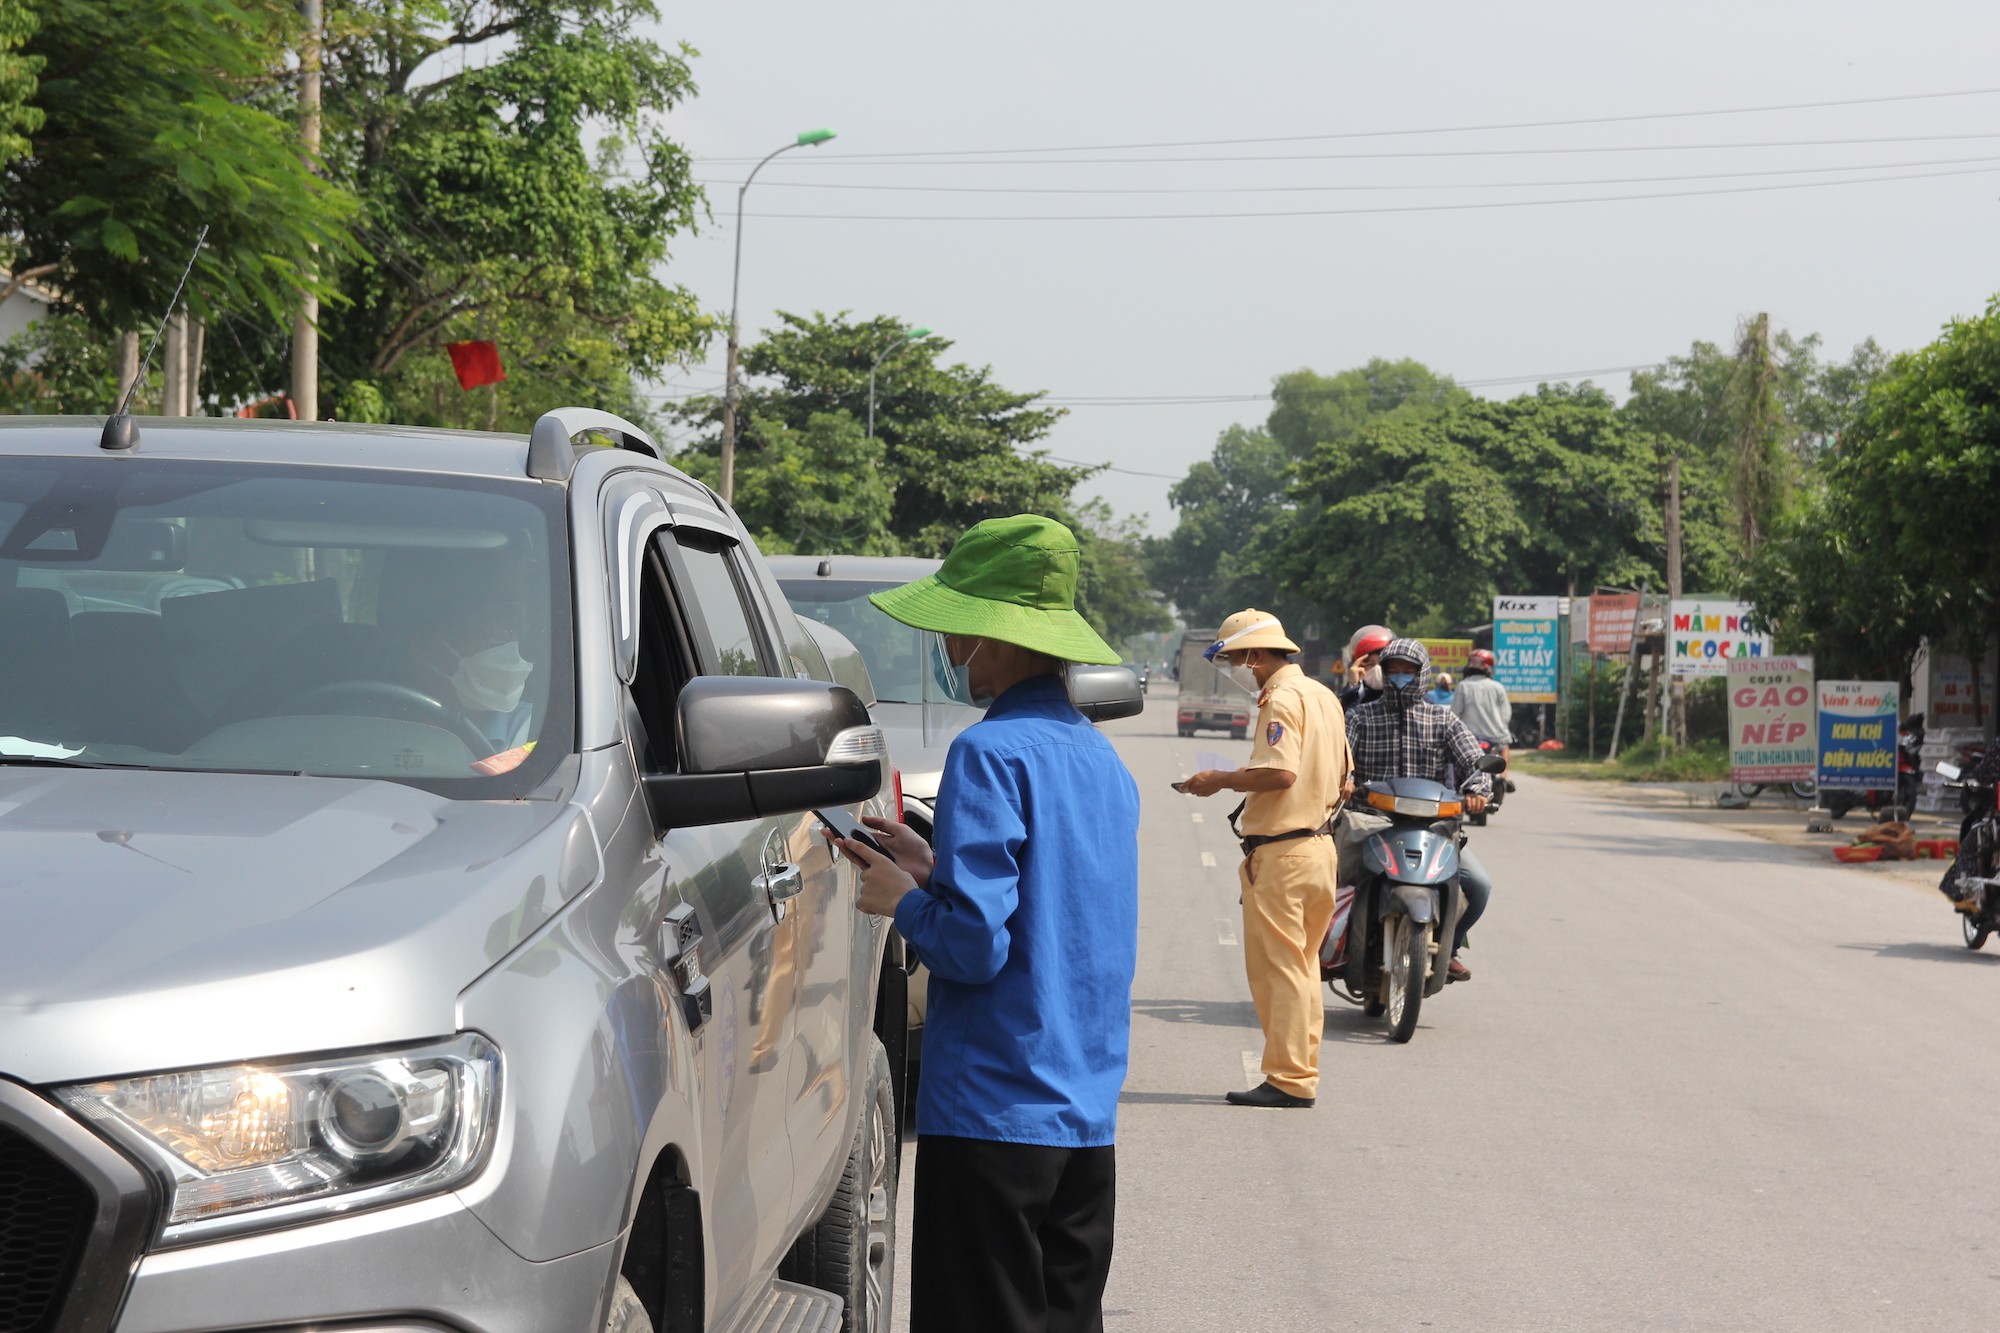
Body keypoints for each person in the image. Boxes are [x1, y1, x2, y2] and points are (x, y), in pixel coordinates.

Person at [827, 514, 1141, 1333]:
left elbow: (972, 945)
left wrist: (903, 898)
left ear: (997, 639)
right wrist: (934, 870)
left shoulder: (988, 752)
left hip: (993, 1108)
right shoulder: (1098, 758)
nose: (953, 647)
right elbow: (1058, 907)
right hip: (1082, 1112)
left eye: (961, 628)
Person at [1179, 609, 1349, 1110]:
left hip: (1283, 853)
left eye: (1238, 658)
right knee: (1301, 969)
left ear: (1256, 653)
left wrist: (1220, 779)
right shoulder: (1323, 696)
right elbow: (1344, 779)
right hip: (1319, 848)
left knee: (1281, 972)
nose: (1239, 668)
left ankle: (1290, 1080)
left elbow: (1279, 774)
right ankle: (1299, 1072)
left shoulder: (1281, 699)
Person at [1346, 638, 1494, 982]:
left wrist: (1478, 790)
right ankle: (1325, 945)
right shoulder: (1360, 717)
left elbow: (1475, 762)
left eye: (1408, 671)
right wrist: (1344, 780)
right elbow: (1338, 758)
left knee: (1480, 885)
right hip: (1370, 822)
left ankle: (1450, 946)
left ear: (1423, 674)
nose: (1400, 677)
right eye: (1393, 670)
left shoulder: (1443, 720)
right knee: (1322, 878)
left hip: (1434, 827)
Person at [1452, 647, 1514, 787]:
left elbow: (1455, 713)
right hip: (1496, 736)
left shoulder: (1463, 686)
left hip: (1470, 737)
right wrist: (1501, 727)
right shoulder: (1498, 687)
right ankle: (1503, 777)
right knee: (1505, 745)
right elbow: (1506, 714)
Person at [1337, 623, 1395, 715]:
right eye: (1370, 664)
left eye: (1381, 663)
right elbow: (1345, 717)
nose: (1377, 668)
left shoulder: (1400, 695)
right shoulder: (1354, 695)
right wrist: (1353, 686)